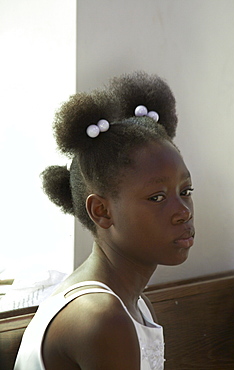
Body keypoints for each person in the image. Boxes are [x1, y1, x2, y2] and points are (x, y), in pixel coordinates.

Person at [14, 71, 195, 370]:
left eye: (185, 191)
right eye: (157, 198)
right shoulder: (100, 316)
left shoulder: (134, 304)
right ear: (102, 211)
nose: (184, 211)